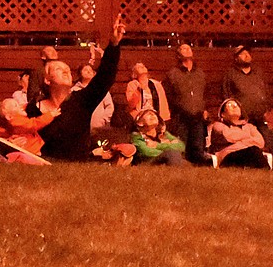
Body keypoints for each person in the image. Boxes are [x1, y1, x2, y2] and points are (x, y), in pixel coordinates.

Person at [26, 17, 125, 161]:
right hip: (46, 164)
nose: (66, 71)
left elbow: (105, 77)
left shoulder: (81, 101)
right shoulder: (34, 108)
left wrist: (114, 45)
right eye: (59, 69)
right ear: (47, 80)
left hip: (78, 164)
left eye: (67, 69)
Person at [164, 43, 208, 164]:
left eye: (189, 48)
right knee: (181, 145)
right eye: (183, 48)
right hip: (181, 116)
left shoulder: (200, 73)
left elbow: (205, 92)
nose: (187, 49)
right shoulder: (173, 73)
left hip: (198, 116)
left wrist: (204, 108)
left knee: (197, 146)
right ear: (178, 55)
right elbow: (168, 94)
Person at [209, 98, 269, 168]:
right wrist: (250, 139)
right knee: (253, 150)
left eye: (236, 105)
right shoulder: (218, 125)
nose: (234, 106)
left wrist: (239, 143)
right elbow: (229, 137)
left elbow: (260, 142)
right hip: (228, 157)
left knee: (254, 150)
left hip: (249, 153)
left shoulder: (249, 126)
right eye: (230, 105)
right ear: (223, 114)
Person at [125, 62, 170, 127]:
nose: (141, 67)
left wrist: (165, 118)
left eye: (143, 66)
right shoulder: (132, 85)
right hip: (141, 119)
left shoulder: (156, 84)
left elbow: (163, 102)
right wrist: (137, 91)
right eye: (138, 67)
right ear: (135, 73)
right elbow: (131, 105)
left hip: (156, 117)